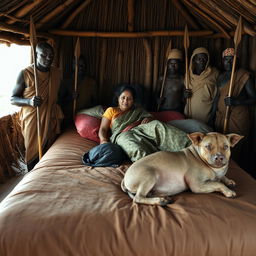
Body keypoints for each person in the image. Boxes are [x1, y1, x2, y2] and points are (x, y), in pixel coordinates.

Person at [99, 84, 191, 162]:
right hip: (122, 134)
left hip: (141, 129)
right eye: (123, 98)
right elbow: (103, 129)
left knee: (157, 125)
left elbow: (149, 117)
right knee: (133, 146)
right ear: (118, 98)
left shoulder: (138, 111)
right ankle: (151, 165)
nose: (125, 101)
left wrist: (149, 118)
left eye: (129, 99)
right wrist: (103, 140)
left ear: (133, 101)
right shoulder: (111, 110)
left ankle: (191, 146)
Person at [11, 41, 64, 171]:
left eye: (51, 55)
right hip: (33, 118)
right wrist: (29, 101)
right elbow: (13, 99)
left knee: (49, 149)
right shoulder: (25, 73)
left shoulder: (57, 73)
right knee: (33, 150)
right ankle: (31, 176)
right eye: (44, 55)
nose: (48, 58)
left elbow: (59, 95)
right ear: (36, 55)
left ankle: (46, 175)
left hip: (50, 116)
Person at [214, 48, 256, 136]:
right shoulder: (221, 77)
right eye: (226, 59)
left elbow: (254, 99)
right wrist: (212, 117)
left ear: (237, 61)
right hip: (221, 117)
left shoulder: (243, 75)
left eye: (232, 59)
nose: (229, 62)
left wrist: (236, 102)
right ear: (222, 61)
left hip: (237, 117)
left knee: (236, 144)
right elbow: (217, 98)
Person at [59, 55, 97, 126]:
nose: (81, 67)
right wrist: (70, 98)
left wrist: (88, 112)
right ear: (73, 66)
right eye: (78, 65)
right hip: (69, 118)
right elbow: (60, 101)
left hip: (85, 117)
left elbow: (95, 101)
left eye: (82, 65)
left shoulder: (91, 82)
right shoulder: (66, 82)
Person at [184, 47, 219, 125]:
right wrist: (184, 95)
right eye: (199, 58)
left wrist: (212, 116)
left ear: (208, 60)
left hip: (208, 113)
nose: (201, 60)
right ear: (194, 60)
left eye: (204, 58)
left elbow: (217, 96)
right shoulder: (188, 75)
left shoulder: (214, 73)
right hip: (190, 112)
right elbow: (181, 95)